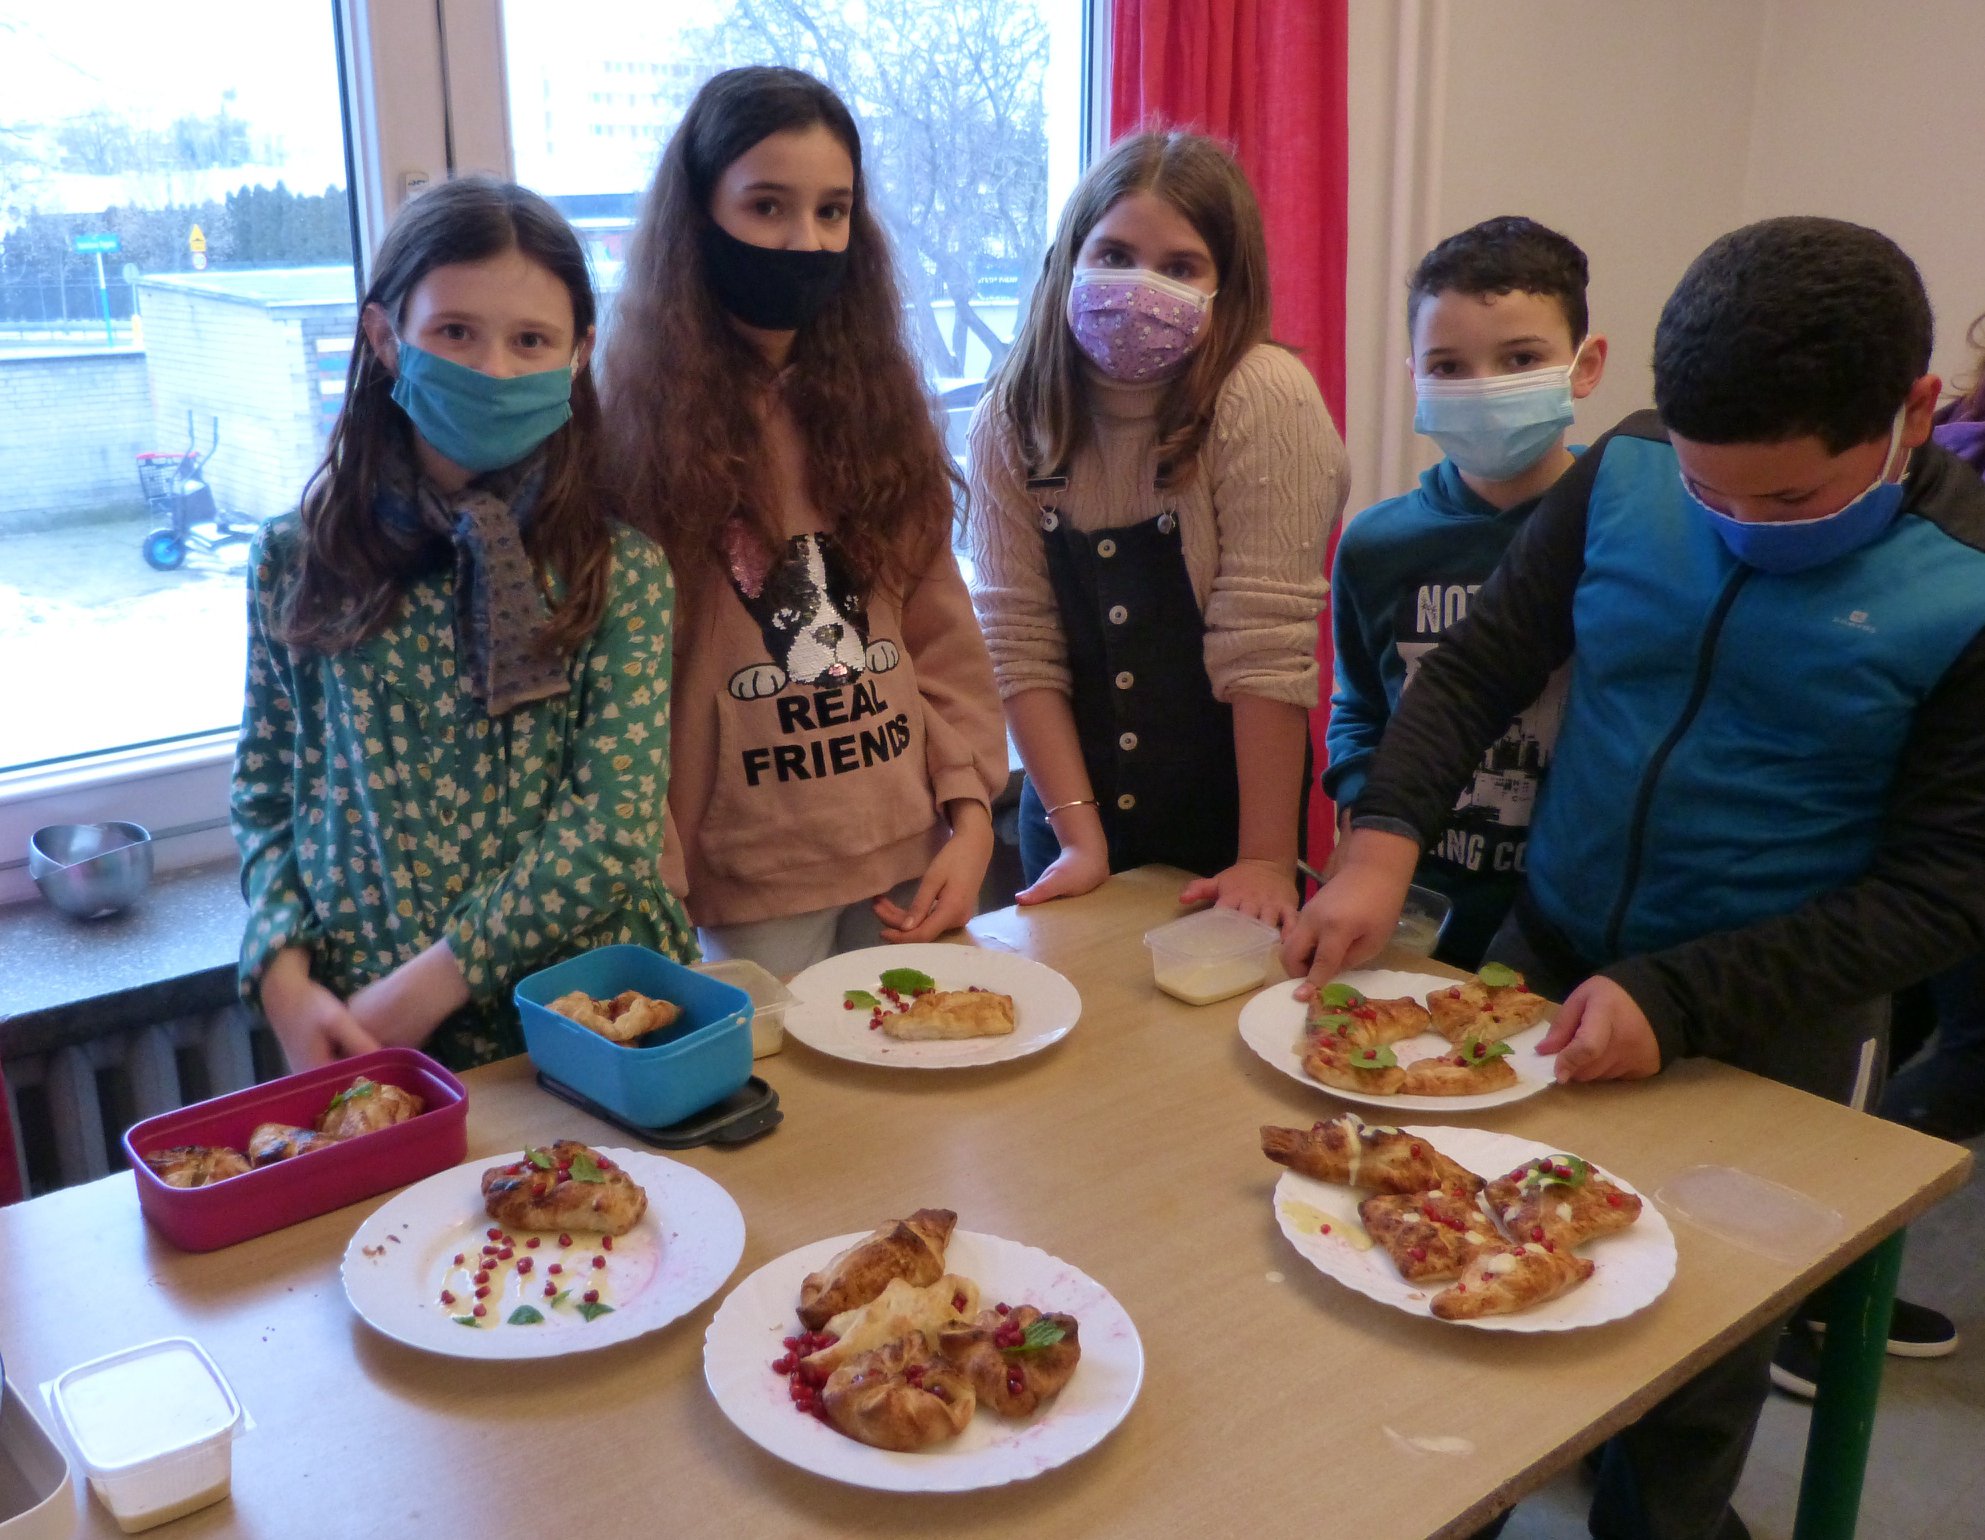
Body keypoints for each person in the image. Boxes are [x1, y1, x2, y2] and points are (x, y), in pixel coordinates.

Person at [1286, 217, 1985, 1540]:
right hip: (1548, 958)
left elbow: (1944, 891)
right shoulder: (1628, 468)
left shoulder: (1967, 586)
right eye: (1709, 494)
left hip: (1776, 1032)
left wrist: (1678, 996)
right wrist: (1379, 850)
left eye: (1788, 502)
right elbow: (1480, 666)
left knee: (1688, 1372)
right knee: (1465, 1282)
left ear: (1911, 412)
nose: (1737, 528)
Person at [233, 177, 695, 1073]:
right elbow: (265, 792)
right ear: (385, 339)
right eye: (454, 332)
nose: (492, 370)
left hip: (588, 1024)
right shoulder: (298, 558)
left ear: (578, 353)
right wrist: (280, 967)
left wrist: (435, 982)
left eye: (531, 340)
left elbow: (615, 824)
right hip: (363, 1020)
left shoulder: (618, 570)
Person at [602, 67, 1006, 978]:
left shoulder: (881, 404)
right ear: (699, 216)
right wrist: (655, 884)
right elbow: (622, 697)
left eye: (832, 211)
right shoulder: (627, 428)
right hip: (741, 886)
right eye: (767, 206)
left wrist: (973, 816)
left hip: (912, 857)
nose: (805, 241)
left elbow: (939, 636)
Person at [965, 129, 1347, 931]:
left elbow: (1265, 648)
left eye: (1180, 267)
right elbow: (1018, 642)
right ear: (1069, 259)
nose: (1139, 287)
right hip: (1068, 817)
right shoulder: (1011, 416)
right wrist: (1078, 838)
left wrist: (1265, 860)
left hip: (1228, 828)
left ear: (1225, 287)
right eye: (1113, 255)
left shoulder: (1264, 397)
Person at [1325, 216, 1606, 967]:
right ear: (1414, 376)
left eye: (1521, 358)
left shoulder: (1621, 529)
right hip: (1416, 900)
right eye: (1447, 366)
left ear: (1584, 366)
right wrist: (1361, 814)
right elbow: (1359, 704)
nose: (1482, 387)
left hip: (1568, 918)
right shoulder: (1376, 544)